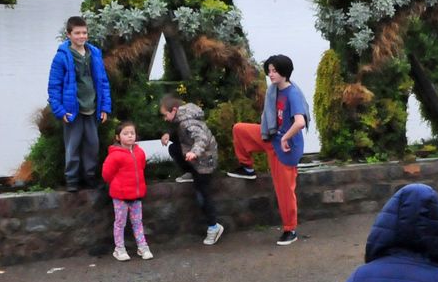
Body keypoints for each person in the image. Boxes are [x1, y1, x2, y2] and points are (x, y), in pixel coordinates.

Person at [228, 54, 309, 246]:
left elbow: (300, 122)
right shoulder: (274, 90)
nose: (270, 74)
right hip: (272, 136)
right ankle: (247, 168)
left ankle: (290, 230)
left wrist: (286, 138)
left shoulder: (293, 93)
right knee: (239, 129)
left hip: (286, 147)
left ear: (285, 72)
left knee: (285, 191)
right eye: (269, 70)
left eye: (274, 71)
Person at [47, 16, 112, 192]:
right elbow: (54, 87)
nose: (81, 36)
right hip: (72, 111)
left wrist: (105, 107)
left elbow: (103, 82)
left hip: (92, 109)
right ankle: (72, 181)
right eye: (77, 33)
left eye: (84, 32)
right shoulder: (61, 57)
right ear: (69, 35)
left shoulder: (95, 54)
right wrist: (60, 111)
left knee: (92, 145)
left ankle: (89, 178)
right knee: (72, 147)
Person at [159, 95, 224, 246]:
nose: (165, 118)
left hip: (204, 161)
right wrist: (168, 134)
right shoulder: (180, 120)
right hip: (195, 160)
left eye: (165, 115)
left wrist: (195, 152)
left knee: (203, 194)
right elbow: (180, 135)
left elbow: (202, 139)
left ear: (174, 110)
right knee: (174, 148)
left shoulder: (189, 122)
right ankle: (190, 171)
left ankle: (214, 226)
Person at [101, 120, 152, 261]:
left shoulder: (139, 152)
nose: (130, 136)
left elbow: (141, 167)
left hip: (136, 195)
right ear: (118, 137)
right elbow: (106, 174)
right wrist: (117, 184)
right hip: (120, 196)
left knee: (137, 221)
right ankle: (119, 248)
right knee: (120, 222)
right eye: (125, 133)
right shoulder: (115, 155)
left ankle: (142, 246)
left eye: (132, 133)